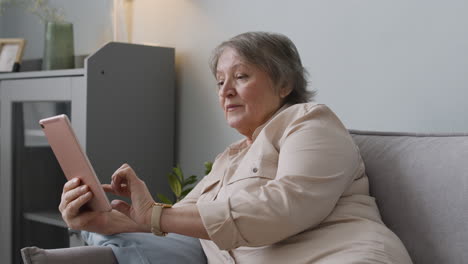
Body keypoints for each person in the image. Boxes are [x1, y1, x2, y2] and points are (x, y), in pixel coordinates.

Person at [59, 32, 413, 263]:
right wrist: (101, 219)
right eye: (220, 81)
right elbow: (179, 222)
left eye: (241, 77)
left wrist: (155, 213)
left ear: (285, 83)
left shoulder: (310, 122)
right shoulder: (229, 159)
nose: (225, 90)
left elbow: (284, 207)